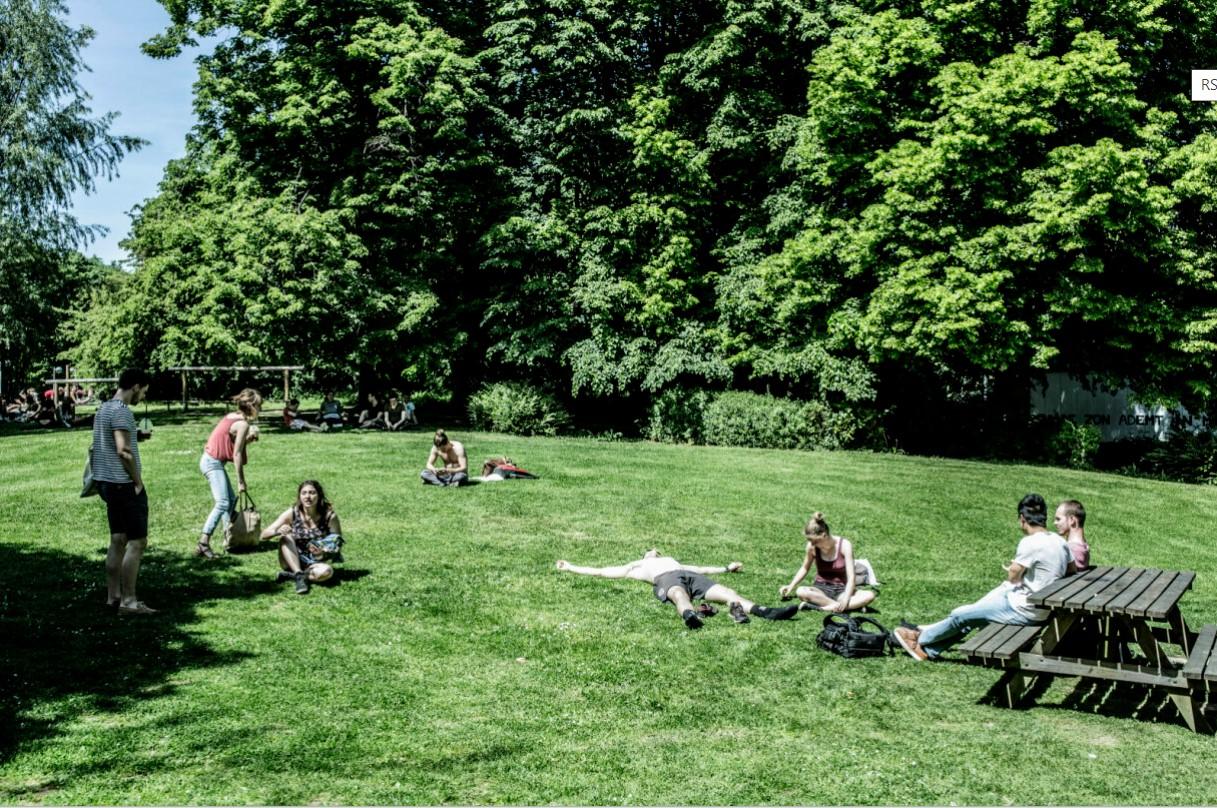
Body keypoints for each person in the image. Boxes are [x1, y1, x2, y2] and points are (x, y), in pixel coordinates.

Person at [892, 493, 1071, 661]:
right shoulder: (1060, 542)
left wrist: (1015, 572)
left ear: (1022, 519)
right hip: (1040, 608)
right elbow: (1071, 570)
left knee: (960, 615)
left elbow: (1013, 577)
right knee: (973, 612)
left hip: (1024, 609)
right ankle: (929, 651)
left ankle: (918, 638)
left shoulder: (1030, 542)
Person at [556, 549, 799, 629]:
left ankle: (764, 610)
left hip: (689, 575)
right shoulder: (638, 566)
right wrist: (571, 567)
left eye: (656, 549)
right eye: (650, 550)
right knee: (678, 594)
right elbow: (602, 571)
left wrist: (727, 567)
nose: (654, 550)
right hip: (666, 579)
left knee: (726, 593)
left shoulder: (673, 559)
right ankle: (689, 615)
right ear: (644, 555)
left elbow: (701, 568)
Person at [91, 368, 155, 615]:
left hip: (107, 483)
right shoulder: (122, 412)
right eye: (144, 391)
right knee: (137, 542)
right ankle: (129, 602)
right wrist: (137, 481)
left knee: (118, 540)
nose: (143, 396)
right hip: (123, 484)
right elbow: (123, 451)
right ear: (136, 386)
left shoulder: (104, 409)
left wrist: (136, 436)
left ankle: (113, 598)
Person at [196, 388, 262, 559]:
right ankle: (203, 542)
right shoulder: (243, 424)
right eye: (259, 406)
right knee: (223, 502)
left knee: (231, 501)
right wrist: (241, 481)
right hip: (212, 462)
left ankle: (230, 539)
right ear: (252, 406)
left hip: (211, 460)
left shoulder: (232, 416)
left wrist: (246, 440)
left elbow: (229, 443)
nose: (260, 409)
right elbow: (237, 454)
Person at [779, 511, 877, 613]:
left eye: (815, 541)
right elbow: (805, 568)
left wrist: (846, 598)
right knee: (801, 591)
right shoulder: (811, 547)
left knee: (870, 595)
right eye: (810, 540)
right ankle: (844, 606)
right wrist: (791, 586)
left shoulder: (845, 545)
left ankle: (822, 608)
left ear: (824, 535)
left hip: (842, 590)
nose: (812, 543)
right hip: (821, 589)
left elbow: (851, 577)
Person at [260, 479, 344, 595]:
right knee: (286, 537)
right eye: (304, 493)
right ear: (299, 496)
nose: (307, 497)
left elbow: (337, 543)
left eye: (312, 493)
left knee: (326, 572)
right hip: (291, 559)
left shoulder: (329, 516)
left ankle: (294, 576)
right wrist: (278, 532)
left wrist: (324, 551)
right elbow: (263, 534)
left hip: (314, 561)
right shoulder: (293, 513)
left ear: (319, 496)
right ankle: (298, 574)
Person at [1055, 499, 1089, 573]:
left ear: (1072, 520)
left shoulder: (1072, 550)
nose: (1055, 523)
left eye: (1058, 519)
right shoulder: (1083, 547)